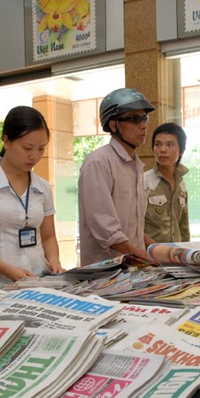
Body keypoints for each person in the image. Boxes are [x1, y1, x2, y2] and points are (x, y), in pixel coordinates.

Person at [0, 105, 64, 290]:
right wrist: (8, 270)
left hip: (37, 281)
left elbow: (48, 236)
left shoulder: (43, 187)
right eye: (27, 147)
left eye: (41, 149)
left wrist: (54, 261)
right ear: (6, 141)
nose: (34, 156)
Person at [78, 87, 156, 266]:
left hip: (132, 271)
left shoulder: (135, 165)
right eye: (135, 119)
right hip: (106, 273)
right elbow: (107, 230)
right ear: (113, 125)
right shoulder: (98, 163)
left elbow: (133, 227)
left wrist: (157, 250)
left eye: (144, 118)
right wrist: (142, 256)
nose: (143, 125)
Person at [144, 122, 190, 243]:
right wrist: (156, 250)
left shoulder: (181, 185)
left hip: (177, 257)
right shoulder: (143, 182)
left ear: (181, 151)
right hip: (150, 257)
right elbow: (133, 227)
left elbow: (183, 227)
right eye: (158, 144)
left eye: (170, 145)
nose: (162, 150)